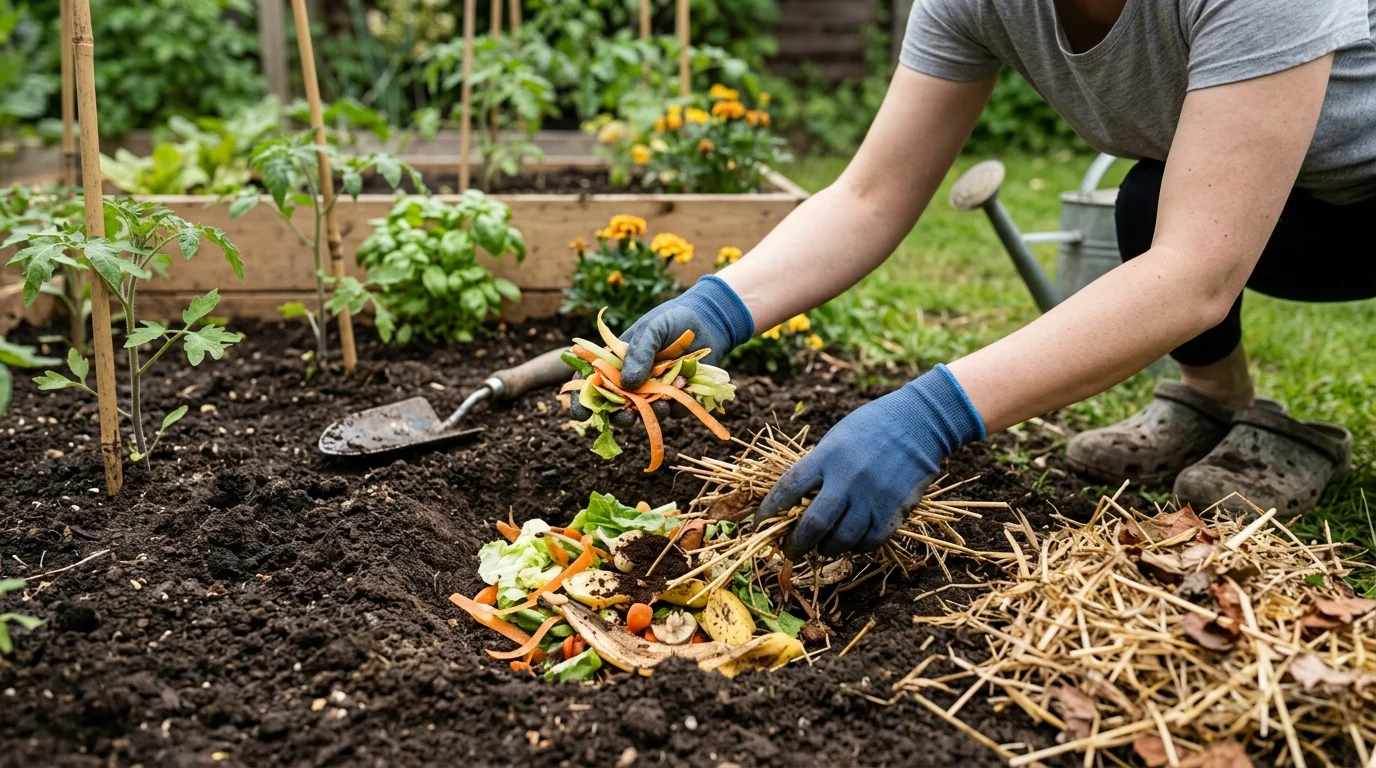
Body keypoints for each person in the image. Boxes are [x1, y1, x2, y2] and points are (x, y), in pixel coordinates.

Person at [576, 0, 1376, 559]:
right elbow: (870, 194)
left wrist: (930, 415)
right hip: (1283, 202)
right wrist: (719, 303)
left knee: (1172, 233)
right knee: (1148, 200)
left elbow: (1194, 273)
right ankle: (1211, 400)